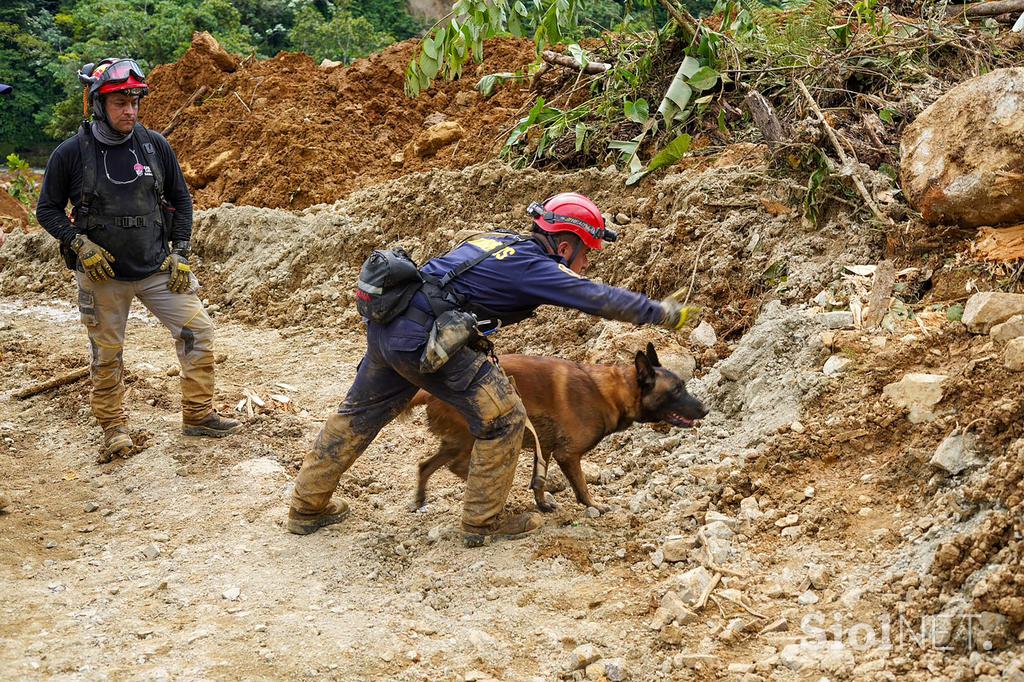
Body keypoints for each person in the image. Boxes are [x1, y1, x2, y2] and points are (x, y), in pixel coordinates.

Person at [287, 192, 695, 546]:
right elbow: (594, 297)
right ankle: (484, 522)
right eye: (586, 252)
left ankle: (307, 507)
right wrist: (658, 311)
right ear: (566, 244)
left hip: (389, 329)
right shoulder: (535, 266)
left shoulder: (497, 241)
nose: (585, 263)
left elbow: (453, 291)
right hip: (427, 342)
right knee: (504, 419)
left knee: (358, 413)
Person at [35, 58, 240, 457]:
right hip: (102, 274)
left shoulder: (154, 145)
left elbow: (181, 198)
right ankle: (113, 427)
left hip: (156, 267)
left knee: (198, 331)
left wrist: (180, 251)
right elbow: (47, 209)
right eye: (119, 103)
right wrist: (79, 243)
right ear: (98, 104)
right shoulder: (71, 153)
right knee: (107, 353)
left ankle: (198, 416)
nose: (130, 110)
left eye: (134, 101)